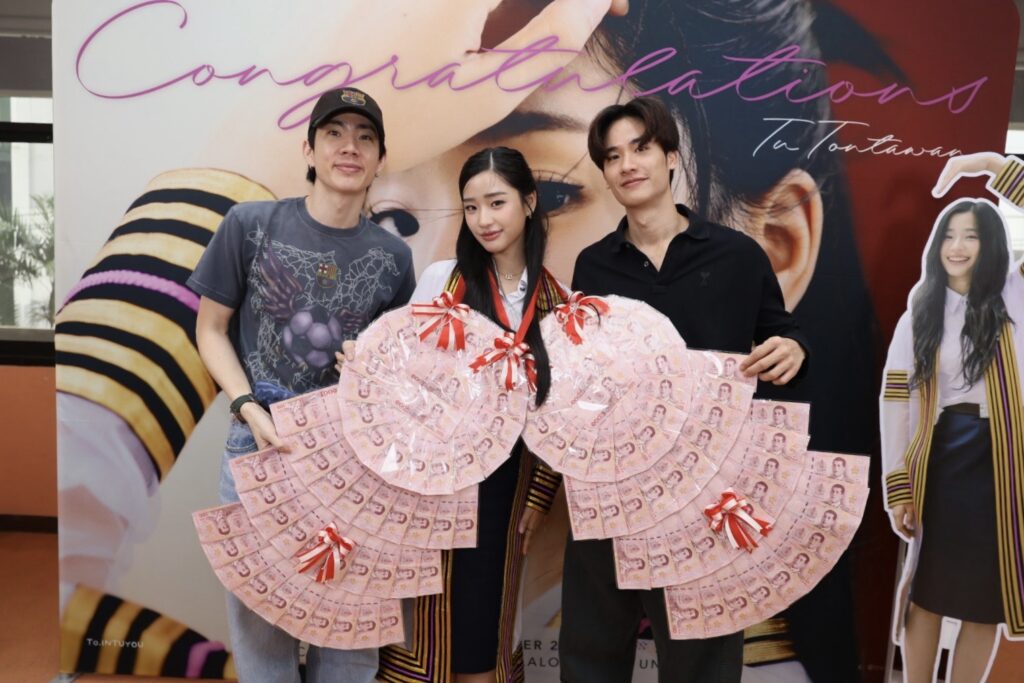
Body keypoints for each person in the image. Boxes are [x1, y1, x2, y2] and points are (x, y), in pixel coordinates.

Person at [559, 96, 808, 683]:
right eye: (612, 156)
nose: (628, 164)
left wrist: (795, 348)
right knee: (591, 653)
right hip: (612, 484)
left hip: (706, 488)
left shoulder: (737, 255)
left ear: (671, 157)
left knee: (701, 660)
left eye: (641, 148)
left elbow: (783, 334)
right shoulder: (593, 267)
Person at [187, 87, 415, 683]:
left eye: (365, 137)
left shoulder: (393, 258)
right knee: (263, 631)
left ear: (381, 159)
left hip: (354, 465)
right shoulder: (249, 225)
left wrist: (369, 366)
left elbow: (396, 369)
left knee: (352, 630)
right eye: (334, 133)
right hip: (258, 451)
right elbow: (210, 329)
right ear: (309, 150)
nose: (350, 147)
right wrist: (246, 406)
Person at [379, 146, 566, 683]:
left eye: (497, 202)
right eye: (471, 207)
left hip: (507, 489)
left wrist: (540, 494)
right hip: (435, 482)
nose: (484, 219)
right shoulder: (444, 281)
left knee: (483, 630)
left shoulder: (557, 301)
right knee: (425, 631)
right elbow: (402, 375)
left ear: (529, 202)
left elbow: (562, 414)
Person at [880, 198, 1024, 683]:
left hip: (1007, 462)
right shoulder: (920, 313)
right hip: (945, 455)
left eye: (972, 236)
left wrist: (993, 168)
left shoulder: (1015, 294)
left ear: (992, 245)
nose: (957, 246)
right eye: (949, 235)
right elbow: (896, 401)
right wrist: (898, 485)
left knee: (987, 601)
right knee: (927, 591)